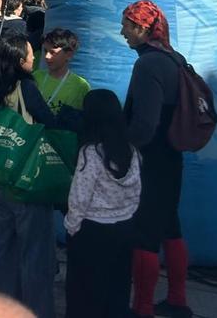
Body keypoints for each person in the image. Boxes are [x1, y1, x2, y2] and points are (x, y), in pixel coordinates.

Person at [0, 32, 77, 318]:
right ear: (21, 60)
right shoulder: (26, 88)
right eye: (32, 54)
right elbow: (49, 122)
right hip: (25, 179)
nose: (35, 59)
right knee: (35, 253)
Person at [121, 0, 190, 318]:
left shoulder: (148, 65)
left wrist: (122, 149)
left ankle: (143, 307)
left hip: (151, 161)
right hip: (172, 156)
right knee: (170, 227)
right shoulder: (176, 59)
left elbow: (144, 125)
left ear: (141, 28)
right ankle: (177, 299)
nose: (122, 32)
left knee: (145, 234)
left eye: (126, 25)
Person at [64, 89, 141, 318]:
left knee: (85, 292)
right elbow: (137, 191)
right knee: (117, 287)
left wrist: (71, 226)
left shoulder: (91, 154)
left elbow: (79, 197)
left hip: (92, 230)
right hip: (124, 228)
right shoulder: (131, 151)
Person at [32, 27, 89, 114]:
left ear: (68, 55)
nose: (47, 56)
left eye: (53, 52)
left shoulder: (80, 86)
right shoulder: (36, 76)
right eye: (45, 51)